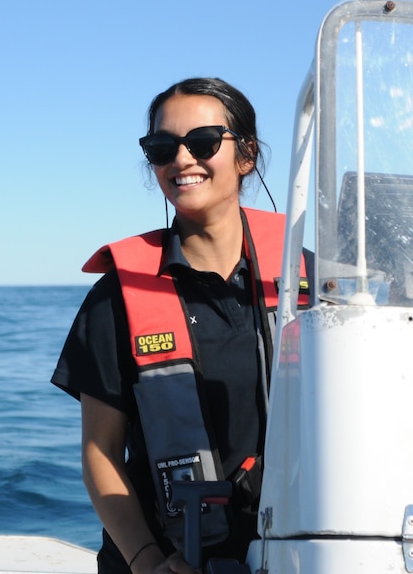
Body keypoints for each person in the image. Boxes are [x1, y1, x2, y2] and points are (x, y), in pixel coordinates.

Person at [52, 77, 294, 574]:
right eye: (163, 148)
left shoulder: (309, 284)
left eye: (203, 142)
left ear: (246, 155)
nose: (182, 159)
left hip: (288, 553)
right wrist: (146, 560)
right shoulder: (118, 297)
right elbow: (100, 455)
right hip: (162, 560)